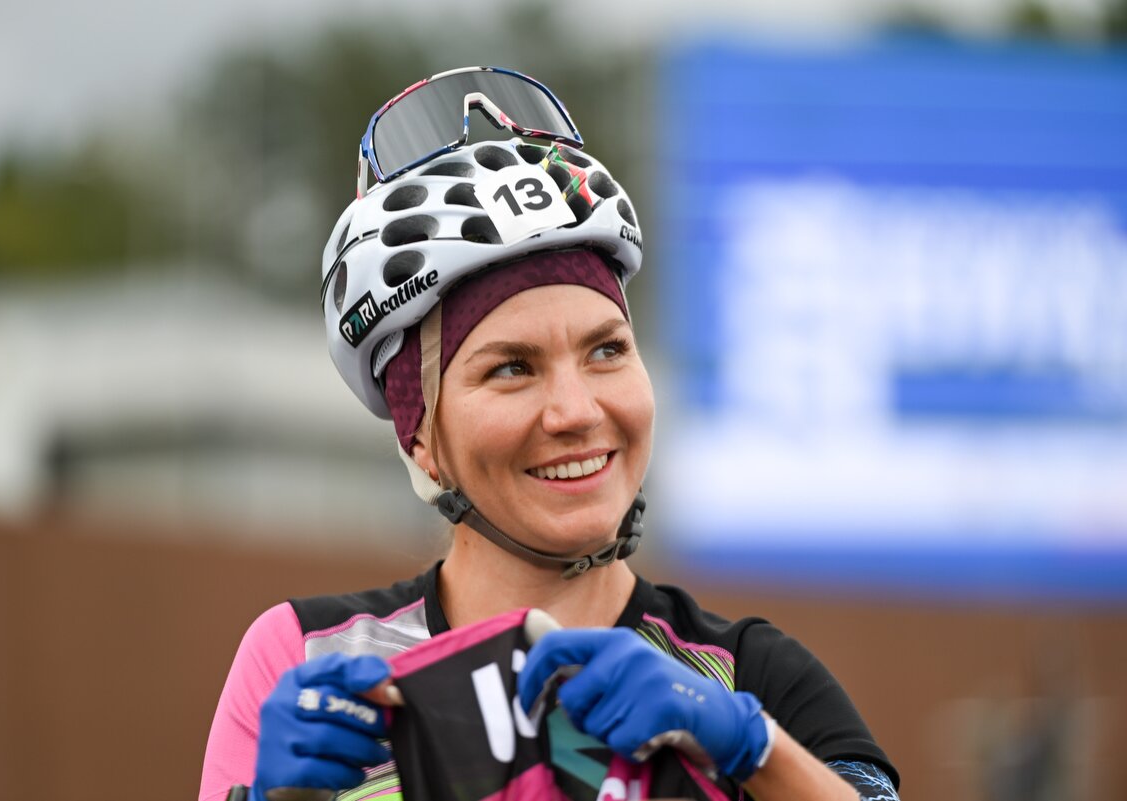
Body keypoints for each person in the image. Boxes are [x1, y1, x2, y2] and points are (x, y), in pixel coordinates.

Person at [199, 66, 901, 801]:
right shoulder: (304, 661)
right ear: (420, 437)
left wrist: (755, 749)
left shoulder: (751, 677)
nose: (576, 411)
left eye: (607, 350)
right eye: (512, 368)